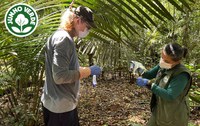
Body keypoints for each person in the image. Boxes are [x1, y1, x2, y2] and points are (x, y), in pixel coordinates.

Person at [41, 6, 101, 126]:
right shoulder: (64, 39)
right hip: (61, 109)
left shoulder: (57, 35)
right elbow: (60, 76)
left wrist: (83, 70)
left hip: (52, 103)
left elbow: (60, 69)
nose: (87, 30)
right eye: (87, 26)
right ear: (78, 20)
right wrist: (88, 71)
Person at [135, 43, 192, 126]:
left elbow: (170, 95)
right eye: (162, 57)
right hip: (159, 109)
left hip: (174, 115)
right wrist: (138, 69)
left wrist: (149, 84)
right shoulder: (164, 65)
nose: (162, 61)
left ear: (177, 61)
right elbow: (149, 74)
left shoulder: (182, 74)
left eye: (166, 60)